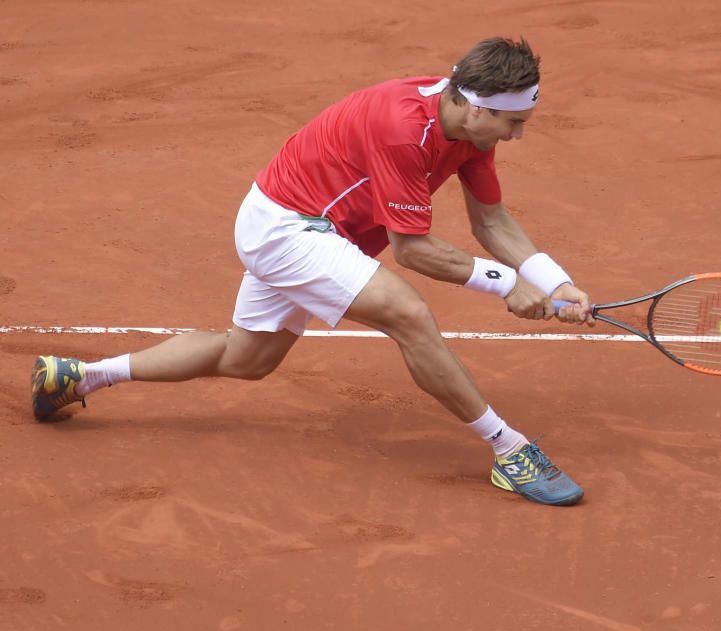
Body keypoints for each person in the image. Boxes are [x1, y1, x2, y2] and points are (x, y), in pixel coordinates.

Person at [31, 37, 595, 506]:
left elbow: (492, 221)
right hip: (288, 228)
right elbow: (412, 250)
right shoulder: (404, 128)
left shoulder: (470, 129)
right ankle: (509, 450)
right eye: (513, 122)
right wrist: (503, 285)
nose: (516, 135)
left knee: (244, 359)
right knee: (409, 315)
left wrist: (555, 282)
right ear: (477, 105)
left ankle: (78, 376)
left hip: (301, 224)